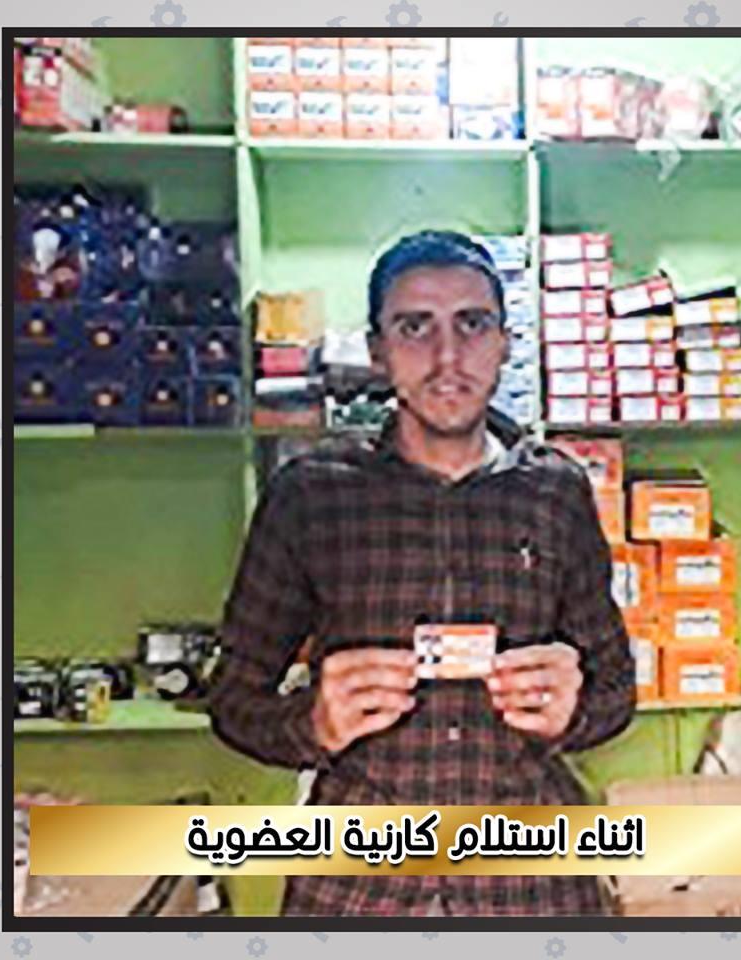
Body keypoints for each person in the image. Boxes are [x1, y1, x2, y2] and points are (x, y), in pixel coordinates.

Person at [208, 229, 636, 916]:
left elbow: (617, 687)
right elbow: (232, 698)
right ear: (377, 351)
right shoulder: (311, 497)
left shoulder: (556, 492)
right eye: (414, 327)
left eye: (472, 324)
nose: (447, 357)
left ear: (505, 343)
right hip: (357, 888)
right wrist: (312, 725)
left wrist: (575, 712)